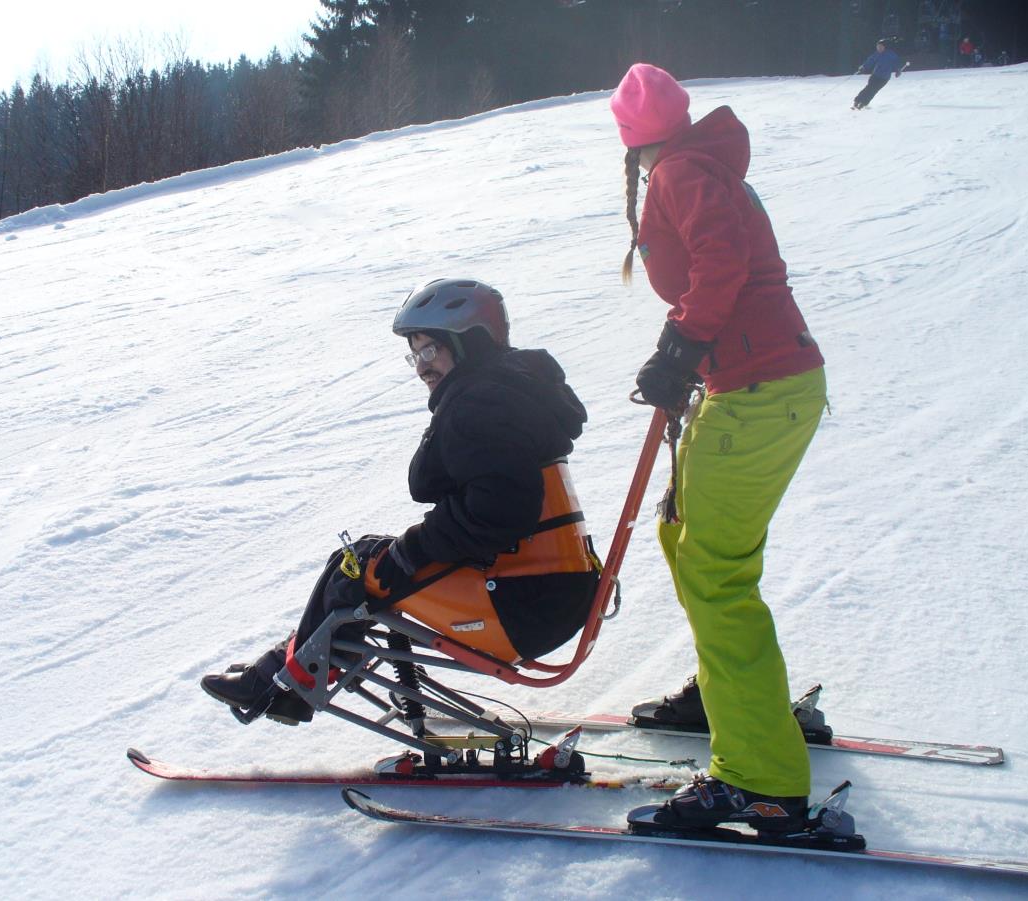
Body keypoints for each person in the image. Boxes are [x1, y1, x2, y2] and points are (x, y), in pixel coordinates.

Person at [200, 278, 598, 725]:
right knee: (361, 559)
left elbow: (500, 510)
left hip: (521, 606)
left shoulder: (481, 405)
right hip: (555, 590)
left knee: (354, 571)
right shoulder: (508, 392)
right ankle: (287, 671)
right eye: (415, 354)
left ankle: (281, 685)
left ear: (469, 342)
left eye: (430, 351)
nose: (421, 367)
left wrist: (410, 550)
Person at [608, 63, 829, 833]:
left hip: (761, 388)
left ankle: (762, 778)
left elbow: (721, 263)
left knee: (717, 571)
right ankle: (731, 697)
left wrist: (683, 342)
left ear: (632, 139)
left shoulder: (679, 171)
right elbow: (720, 268)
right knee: (683, 534)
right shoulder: (698, 161)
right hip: (756, 384)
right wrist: (687, 351)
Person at [852, 40, 905, 110]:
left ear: (884, 47)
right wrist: (863, 67)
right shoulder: (877, 54)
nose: (879, 48)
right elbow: (870, 61)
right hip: (875, 75)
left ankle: (863, 103)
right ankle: (857, 101)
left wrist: (898, 70)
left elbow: (897, 63)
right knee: (868, 88)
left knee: (873, 90)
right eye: (877, 47)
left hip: (884, 78)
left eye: (880, 47)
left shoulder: (891, 55)